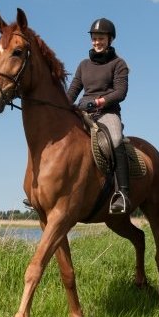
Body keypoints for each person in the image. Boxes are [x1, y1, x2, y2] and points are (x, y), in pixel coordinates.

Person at [67, 18, 132, 214]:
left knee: (115, 138)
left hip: (106, 113)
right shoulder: (83, 65)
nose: (97, 42)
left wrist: (97, 102)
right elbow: (72, 91)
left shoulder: (118, 63)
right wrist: (61, 105)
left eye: (101, 38)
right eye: (94, 38)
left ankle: (122, 194)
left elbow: (120, 92)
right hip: (83, 112)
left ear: (110, 39)